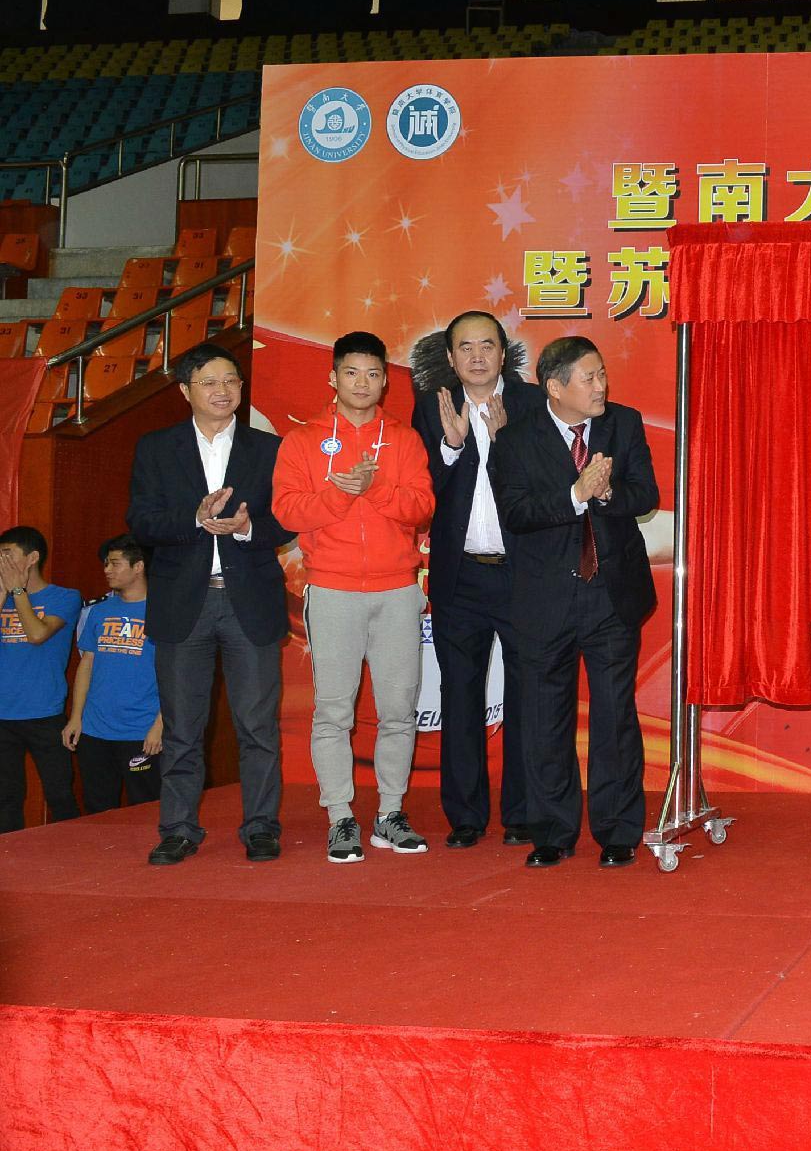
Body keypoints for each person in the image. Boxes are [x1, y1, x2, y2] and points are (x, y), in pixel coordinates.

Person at [489, 336, 658, 869]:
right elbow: (516, 514)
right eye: (590, 377)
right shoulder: (515, 440)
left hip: (611, 594)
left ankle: (618, 830)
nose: (601, 385)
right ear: (555, 387)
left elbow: (646, 494)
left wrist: (607, 493)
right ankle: (551, 831)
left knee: (614, 714)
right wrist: (575, 495)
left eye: (603, 373)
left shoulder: (623, 424)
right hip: (545, 598)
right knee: (545, 718)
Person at [126, 342, 293, 865]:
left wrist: (246, 528)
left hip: (250, 602)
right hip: (184, 604)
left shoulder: (270, 448)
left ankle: (261, 826)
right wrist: (194, 519)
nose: (223, 391)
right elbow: (142, 522)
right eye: (209, 382)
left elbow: (288, 520)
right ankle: (178, 829)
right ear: (185, 391)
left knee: (258, 727)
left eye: (231, 382)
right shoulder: (156, 448)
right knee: (182, 729)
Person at [272, 331, 434, 864]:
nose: (362, 383)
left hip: (397, 590)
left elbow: (422, 507)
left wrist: (374, 488)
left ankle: (390, 813)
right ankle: (340, 816)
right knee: (333, 712)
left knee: (398, 712)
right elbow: (287, 513)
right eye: (351, 373)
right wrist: (341, 493)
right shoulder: (302, 441)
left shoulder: (404, 439)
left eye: (372, 374)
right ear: (333, 377)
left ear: (385, 381)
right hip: (334, 589)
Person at [410, 310, 544, 849]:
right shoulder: (432, 407)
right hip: (459, 576)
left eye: (487, 345)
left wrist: (507, 443)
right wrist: (450, 446)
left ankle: (523, 813)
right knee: (459, 695)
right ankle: (465, 816)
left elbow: (549, 486)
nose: (476, 356)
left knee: (527, 695)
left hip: (522, 575)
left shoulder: (534, 403)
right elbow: (423, 494)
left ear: (503, 352)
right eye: (464, 347)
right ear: (450, 357)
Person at [62, 536, 163, 812]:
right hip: (95, 730)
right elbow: (86, 665)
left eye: (115, 564)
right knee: (97, 810)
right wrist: (76, 717)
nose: (107, 570)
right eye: (106, 563)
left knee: (146, 809)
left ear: (138, 566)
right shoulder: (99, 612)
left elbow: (178, 676)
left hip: (141, 731)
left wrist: (160, 725)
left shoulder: (163, 612)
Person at [0, 526, 82, 832]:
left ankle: (70, 852)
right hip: (3, 714)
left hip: (44, 713)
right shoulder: (3, 598)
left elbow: (37, 634)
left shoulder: (64, 596)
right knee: (6, 797)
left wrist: (18, 592)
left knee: (59, 794)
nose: (1, 561)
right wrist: (3, 593)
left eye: (7, 554)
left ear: (32, 557)